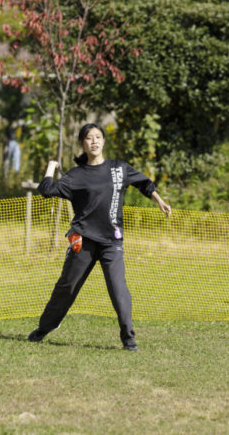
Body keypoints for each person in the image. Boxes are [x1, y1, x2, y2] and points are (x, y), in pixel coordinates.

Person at [28, 123, 171, 351]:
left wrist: (159, 200)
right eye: (89, 138)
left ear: (104, 141)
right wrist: (50, 168)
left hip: (111, 241)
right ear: (83, 144)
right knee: (67, 287)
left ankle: (129, 340)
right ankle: (43, 329)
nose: (94, 141)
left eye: (98, 137)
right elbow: (46, 190)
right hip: (83, 241)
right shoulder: (76, 176)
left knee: (118, 290)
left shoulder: (118, 169)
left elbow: (143, 183)